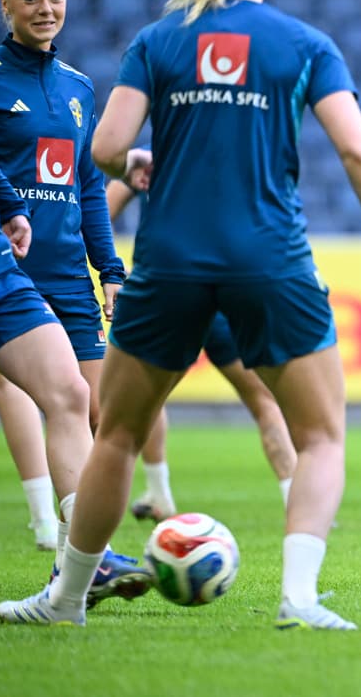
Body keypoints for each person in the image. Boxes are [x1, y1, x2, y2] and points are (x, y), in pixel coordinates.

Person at [0, 0, 361, 630]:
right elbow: (357, 150)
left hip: (169, 260)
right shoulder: (305, 43)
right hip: (271, 258)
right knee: (320, 435)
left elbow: (103, 151)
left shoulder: (158, 40)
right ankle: (298, 600)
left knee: (118, 435)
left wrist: (141, 160)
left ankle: (65, 599)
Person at [0, 0, 150, 600]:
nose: (46, 9)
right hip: (8, 272)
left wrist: (108, 268)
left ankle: (76, 562)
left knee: (88, 409)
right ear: (7, 5)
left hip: (66, 276)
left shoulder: (82, 89)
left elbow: (88, 187)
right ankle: (82, 552)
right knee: (63, 401)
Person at [105, 177, 298, 521]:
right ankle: (297, 503)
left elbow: (101, 210)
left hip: (169, 291)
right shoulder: (241, 160)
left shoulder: (157, 157)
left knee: (145, 398)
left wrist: (119, 268)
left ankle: (158, 493)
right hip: (225, 294)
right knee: (264, 401)